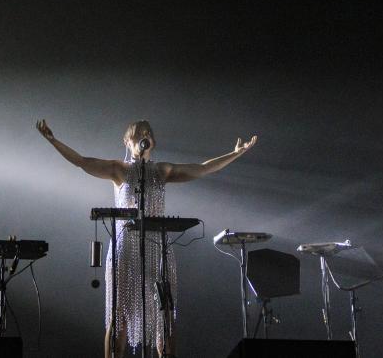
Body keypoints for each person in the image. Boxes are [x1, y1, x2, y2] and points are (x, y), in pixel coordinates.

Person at [37, 118, 257, 358]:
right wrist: (52, 140)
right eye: (139, 133)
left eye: (148, 133)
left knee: (165, 314)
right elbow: (82, 162)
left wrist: (235, 154)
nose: (145, 135)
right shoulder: (118, 170)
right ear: (127, 141)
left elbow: (202, 168)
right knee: (119, 316)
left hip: (157, 250)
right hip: (125, 249)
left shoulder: (162, 171)